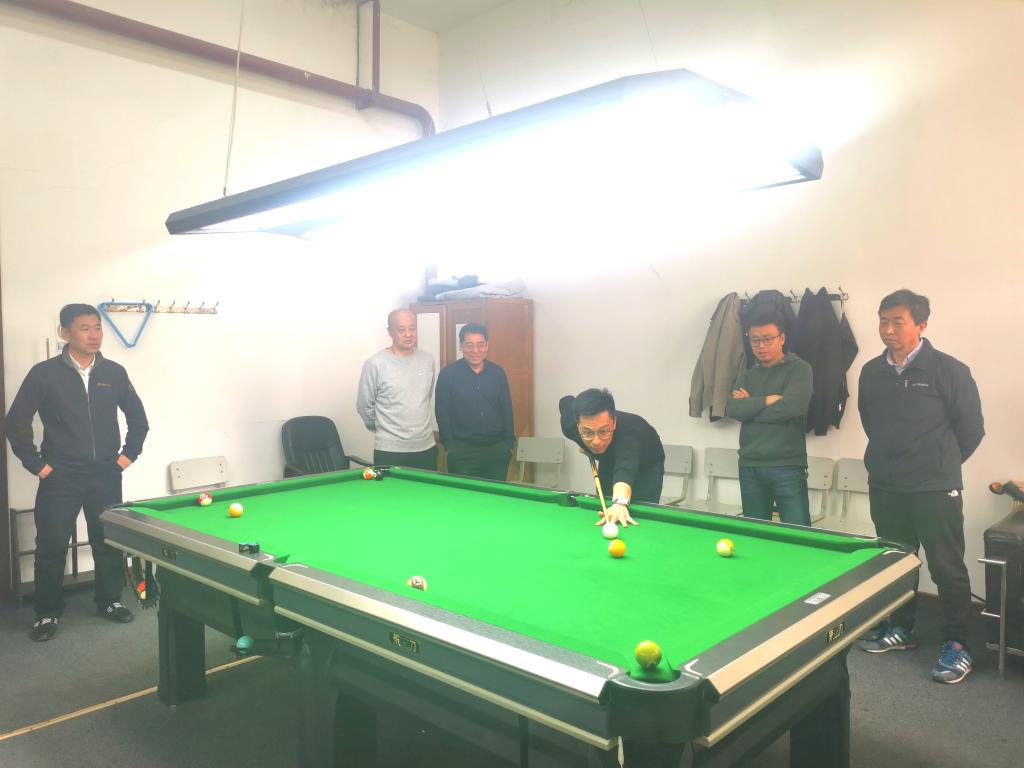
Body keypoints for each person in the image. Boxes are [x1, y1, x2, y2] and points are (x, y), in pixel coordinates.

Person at [857, 289, 984, 684]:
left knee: (947, 568)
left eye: (897, 321)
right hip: (887, 485)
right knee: (896, 560)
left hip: (934, 487)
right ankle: (901, 627)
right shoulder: (871, 372)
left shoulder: (949, 370)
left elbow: (972, 430)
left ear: (921, 325)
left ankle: (957, 644)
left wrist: (938, 465)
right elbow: (870, 422)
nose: (887, 329)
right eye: (883, 321)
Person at [6, 303, 149, 642]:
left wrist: (127, 456)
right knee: (52, 546)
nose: (94, 335)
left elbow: (138, 419)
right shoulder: (44, 374)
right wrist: (37, 465)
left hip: (105, 475)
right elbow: (15, 422)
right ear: (65, 333)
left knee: (106, 541)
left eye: (97, 327)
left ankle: (109, 601)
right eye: (85, 328)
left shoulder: (114, 372)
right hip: (61, 476)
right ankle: (47, 613)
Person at [725, 312, 814, 525]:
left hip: (787, 466)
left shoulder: (799, 369)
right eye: (755, 340)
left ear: (781, 338)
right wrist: (767, 400)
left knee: (798, 534)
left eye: (767, 339)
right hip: (750, 466)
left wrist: (751, 408)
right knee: (755, 534)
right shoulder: (747, 375)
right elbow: (733, 409)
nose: (761, 346)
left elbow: (793, 407)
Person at [559, 388, 665, 527]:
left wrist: (620, 503)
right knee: (605, 505)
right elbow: (566, 401)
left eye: (603, 432)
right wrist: (584, 444)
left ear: (614, 423)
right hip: (608, 459)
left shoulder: (628, 435)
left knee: (637, 513)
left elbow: (625, 469)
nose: (596, 441)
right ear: (578, 426)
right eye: (588, 433)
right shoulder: (570, 426)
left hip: (646, 465)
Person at [356, 308, 438, 469]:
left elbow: (425, 397)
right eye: (401, 330)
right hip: (390, 450)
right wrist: (383, 428)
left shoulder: (427, 360)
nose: (408, 334)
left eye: (412, 328)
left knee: (428, 487)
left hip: (426, 448)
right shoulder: (375, 364)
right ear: (390, 332)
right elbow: (364, 406)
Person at [435, 323, 515, 480]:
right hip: (461, 451)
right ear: (461, 346)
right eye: (469, 345)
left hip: (496, 450)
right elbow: (442, 412)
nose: (475, 351)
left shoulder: (498, 373)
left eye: (480, 345)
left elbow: (506, 409)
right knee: (463, 494)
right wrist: (449, 446)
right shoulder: (447, 374)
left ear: (487, 345)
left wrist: (508, 445)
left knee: (494, 494)